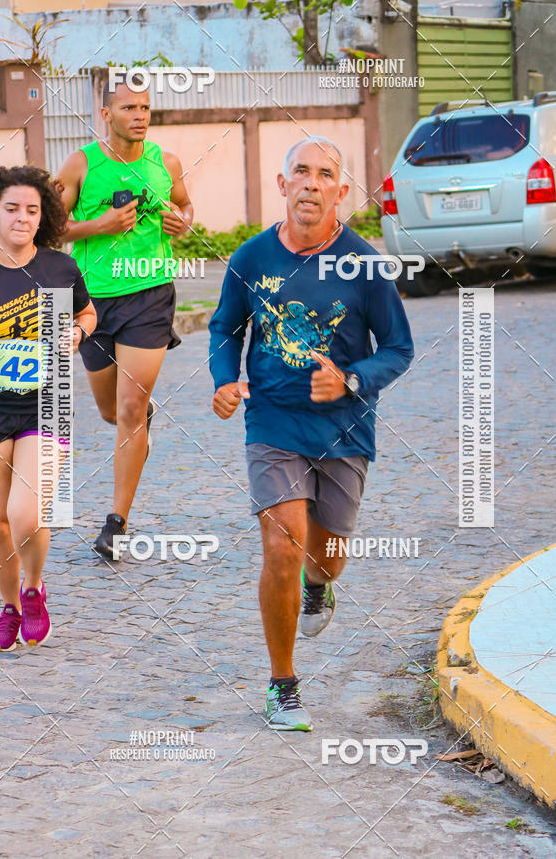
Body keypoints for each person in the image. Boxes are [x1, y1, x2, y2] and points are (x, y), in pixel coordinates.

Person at [209, 137, 414, 731]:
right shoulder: (251, 258)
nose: (311, 183)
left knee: (325, 559)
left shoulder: (365, 265)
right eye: (301, 171)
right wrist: (226, 380)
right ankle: (283, 685)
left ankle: (318, 586)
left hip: (344, 427)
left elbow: (398, 348)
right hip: (272, 419)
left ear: (341, 191)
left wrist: (351, 379)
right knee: (282, 544)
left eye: (325, 174)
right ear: (283, 184)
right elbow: (225, 328)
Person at [57, 76, 194, 559]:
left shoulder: (165, 163)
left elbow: (185, 206)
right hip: (93, 302)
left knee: (131, 408)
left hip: (150, 294)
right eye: (128, 108)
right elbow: (50, 227)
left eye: (145, 107)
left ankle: (115, 523)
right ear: (106, 114)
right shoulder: (81, 164)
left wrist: (183, 221)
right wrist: (100, 224)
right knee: (111, 411)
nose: (139, 116)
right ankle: (139, 421)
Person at [0, 166, 96, 651]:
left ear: (44, 217)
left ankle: (34, 588)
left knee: (26, 513)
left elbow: (87, 312)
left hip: (47, 402)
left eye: (32, 210)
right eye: (12, 209)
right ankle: (9, 608)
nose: (22, 218)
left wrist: (78, 331)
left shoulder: (58, 268)